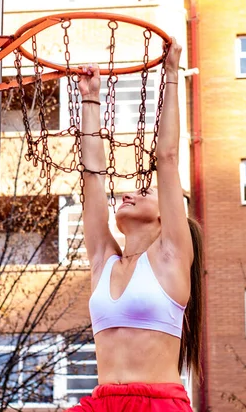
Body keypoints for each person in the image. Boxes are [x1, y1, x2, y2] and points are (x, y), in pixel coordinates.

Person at [68, 38, 203, 412]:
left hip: (157, 404)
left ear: (166, 214)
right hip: (102, 402)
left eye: (144, 191)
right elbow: (92, 175)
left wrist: (172, 75)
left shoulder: (172, 257)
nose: (128, 194)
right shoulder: (103, 261)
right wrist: (90, 100)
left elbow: (168, 157)